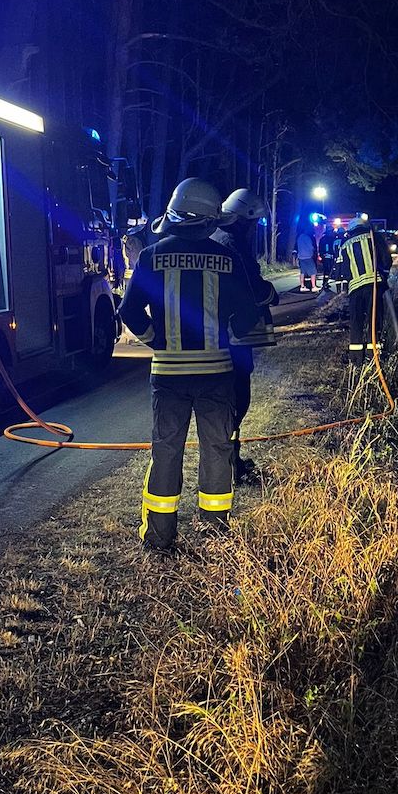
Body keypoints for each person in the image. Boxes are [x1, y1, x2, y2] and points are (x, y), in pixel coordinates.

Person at [120, 178, 260, 551]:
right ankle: (215, 531)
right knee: (217, 449)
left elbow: (128, 310)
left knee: (166, 451)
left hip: (168, 375)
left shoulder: (152, 256)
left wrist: (156, 341)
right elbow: (248, 317)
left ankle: (159, 537)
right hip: (217, 374)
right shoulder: (227, 259)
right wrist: (225, 334)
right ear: (211, 218)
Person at [213, 188, 278, 484]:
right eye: (255, 223)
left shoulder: (217, 237)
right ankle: (229, 464)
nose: (256, 230)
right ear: (243, 219)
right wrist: (270, 294)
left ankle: (231, 460)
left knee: (230, 402)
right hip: (233, 337)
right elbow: (251, 288)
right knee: (237, 400)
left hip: (220, 336)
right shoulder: (234, 244)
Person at [333, 214, 393, 366]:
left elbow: (340, 270)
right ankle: (374, 356)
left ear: (351, 229)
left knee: (356, 321)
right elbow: (386, 259)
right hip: (374, 285)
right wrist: (384, 274)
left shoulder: (345, 244)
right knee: (374, 320)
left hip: (355, 289)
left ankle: (356, 359)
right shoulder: (374, 237)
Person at [318, 224, 337, 290]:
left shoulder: (323, 239)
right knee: (327, 271)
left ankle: (325, 283)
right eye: (331, 231)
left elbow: (320, 249)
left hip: (326, 257)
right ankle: (325, 283)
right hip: (328, 258)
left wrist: (321, 255)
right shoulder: (330, 239)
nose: (332, 232)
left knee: (327, 271)